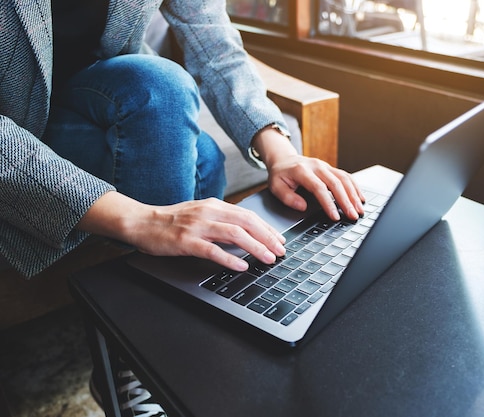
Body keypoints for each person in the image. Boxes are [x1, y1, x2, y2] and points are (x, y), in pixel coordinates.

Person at [1, 1, 364, 415]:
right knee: (202, 157)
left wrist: (279, 149)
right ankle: (140, 360)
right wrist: (142, 220)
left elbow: (212, 38)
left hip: (95, 96)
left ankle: (154, 352)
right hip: (12, 124)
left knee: (163, 89)